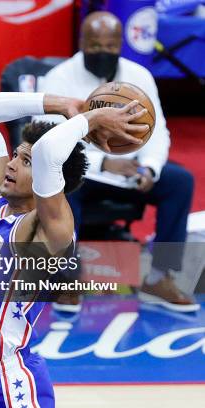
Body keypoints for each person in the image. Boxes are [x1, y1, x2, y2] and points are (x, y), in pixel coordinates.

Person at [0, 91, 147, 407]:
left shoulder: (49, 228)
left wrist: (89, 119)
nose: (11, 164)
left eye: (25, 161)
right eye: (15, 155)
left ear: (49, 181)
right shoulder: (1, 200)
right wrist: (61, 104)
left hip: (4, 382)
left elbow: (50, 153)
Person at [38, 11, 198, 313]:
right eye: (95, 46)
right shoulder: (59, 78)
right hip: (81, 173)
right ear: (82, 42)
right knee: (63, 185)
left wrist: (149, 167)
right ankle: (66, 279)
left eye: (110, 46)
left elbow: (158, 130)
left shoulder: (139, 77)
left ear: (119, 45)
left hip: (129, 172)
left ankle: (160, 277)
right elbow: (48, 140)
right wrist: (102, 165)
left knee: (179, 182)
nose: (103, 52)